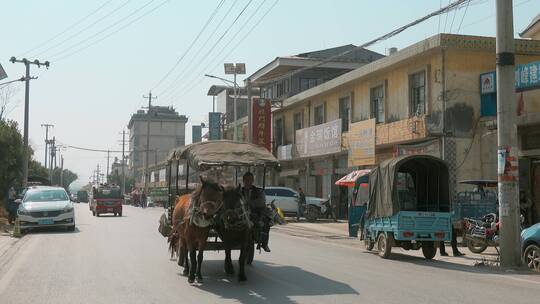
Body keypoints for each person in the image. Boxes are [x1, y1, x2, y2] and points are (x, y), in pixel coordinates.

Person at [241, 171, 271, 252]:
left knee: (266, 223)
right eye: (246, 180)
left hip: (256, 214)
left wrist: (250, 203)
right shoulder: (239, 191)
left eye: (250, 180)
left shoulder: (259, 191)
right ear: (243, 181)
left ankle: (264, 243)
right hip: (240, 214)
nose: (248, 182)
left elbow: (261, 202)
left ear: (252, 181)